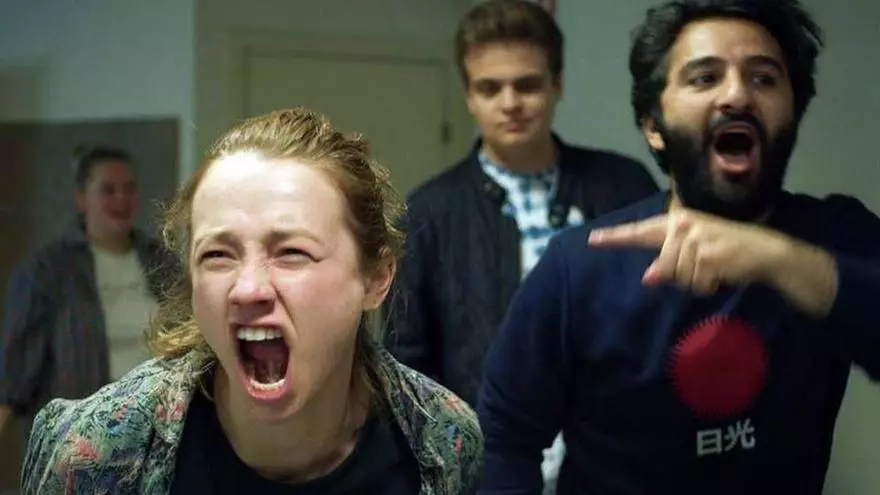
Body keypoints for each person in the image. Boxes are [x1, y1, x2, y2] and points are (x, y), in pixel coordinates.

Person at [476, 0, 880, 494]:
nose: (737, 95)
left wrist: (775, 258)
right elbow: (503, 437)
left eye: (764, 78)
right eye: (704, 78)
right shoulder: (579, 266)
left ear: (794, 112)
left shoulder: (835, 237)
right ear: (654, 125)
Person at [21, 108, 483, 494]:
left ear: (377, 277)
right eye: (218, 255)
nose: (247, 289)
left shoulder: (443, 441)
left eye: (292, 252)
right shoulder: (94, 454)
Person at [384, 0, 657, 487]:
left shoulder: (624, 186)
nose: (510, 103)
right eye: (490, 88)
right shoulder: (429, 212)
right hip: (485, 470)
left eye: (527, 84)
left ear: (557, 85)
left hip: (616, 461)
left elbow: (662, 321)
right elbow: (405, 366)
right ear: (469, 96)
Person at [0, 145, 174, 444]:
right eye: (108, 189)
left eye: (129, 188)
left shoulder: (162, 261)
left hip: (157, 426)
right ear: (82, 198)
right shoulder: (46, 269)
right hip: (80, 437)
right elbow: (16, 369)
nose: (121, 198)